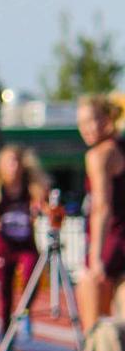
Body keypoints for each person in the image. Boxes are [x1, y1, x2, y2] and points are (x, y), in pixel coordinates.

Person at [0, 146, 47, 342]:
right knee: (4, 293)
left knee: (32, 273)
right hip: (4, 246)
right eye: (9, 161)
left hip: (26, 244)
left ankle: (25, 312)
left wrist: (40, 210)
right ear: (0, 165)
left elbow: (45, 206)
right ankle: (6, 338)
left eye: (16, 161)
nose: (13, 166)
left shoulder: (30, 187)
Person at [75, 94, 125, 334]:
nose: (84, 129)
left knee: (94, 332)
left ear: (107, 120)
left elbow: (102, 208)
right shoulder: (120, 148)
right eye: (80, 123)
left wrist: (95, 260)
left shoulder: (98, 155)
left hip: (111, 242)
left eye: (90, 121)